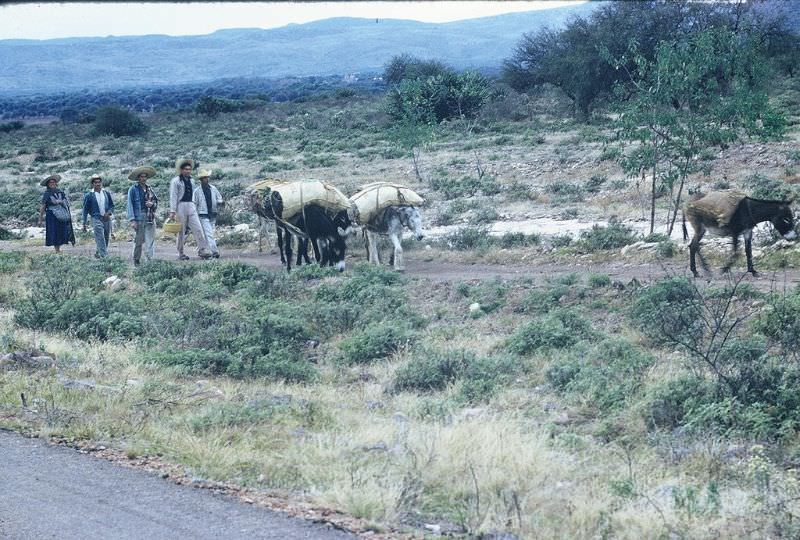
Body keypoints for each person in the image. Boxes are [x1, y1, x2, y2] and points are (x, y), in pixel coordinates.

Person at [168, 158, 212, 260]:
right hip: (180, 206)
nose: (188, 171)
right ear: (181, 170)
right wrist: (173, 211)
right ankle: (181, 253)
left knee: (198, 228)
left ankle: (202, 250)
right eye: (186, 169)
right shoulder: (176, 181)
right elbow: (173, 196)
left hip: (191, 205)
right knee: (181, 231)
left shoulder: (192, 180)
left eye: (189, 169)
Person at [126, 165, 158, 265]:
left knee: (150, 240)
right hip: (139, 217)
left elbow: (156, 202)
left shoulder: (150, 189)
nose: (143, 178)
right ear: (138, 178)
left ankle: (149, 260)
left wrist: (152, 204)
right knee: (138, 241)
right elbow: (129, 205)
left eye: (145, 176)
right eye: (141, 176)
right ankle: (136, 260)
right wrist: (132, 220)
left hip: (150, 217)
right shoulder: (133, 189)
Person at [38, 173, 75, 252]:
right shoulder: (47, 194)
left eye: (53, 182)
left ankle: (59, 248)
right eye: (50, 183)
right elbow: (43, 205)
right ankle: (57, 249)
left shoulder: (60, 192)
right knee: (55, 231)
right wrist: (40, 218)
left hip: (61, 214)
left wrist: (62, 202)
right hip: (52, 216)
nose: (52, 184)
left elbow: (66, 201)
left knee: (61, 231)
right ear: (48, 184)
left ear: (56, 183)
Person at [192, 169, 224, 259]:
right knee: (209, 233)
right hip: (203, 214)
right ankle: (214, 251)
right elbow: (194, 204)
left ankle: (204, 251)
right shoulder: (197, 191)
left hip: (212, 214)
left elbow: (219, 198)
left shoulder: (213, 189)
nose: (206, 179)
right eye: (204, 178)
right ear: (201, 180)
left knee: (208, 234)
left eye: (207, 178)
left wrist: (220, 202)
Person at [81, 174, 114, 258]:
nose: (98, 184)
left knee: (106, 237)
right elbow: (85, 209)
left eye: (99, 182)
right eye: (95, 182)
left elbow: (112, 205)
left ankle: (98, 253)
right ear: (92, 184)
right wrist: (84, 223)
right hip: (96, 218)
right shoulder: (89, 195)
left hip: (106, 218)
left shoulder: (106, 193)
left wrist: (109, 212)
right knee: (100, 237)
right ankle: (105, 257)